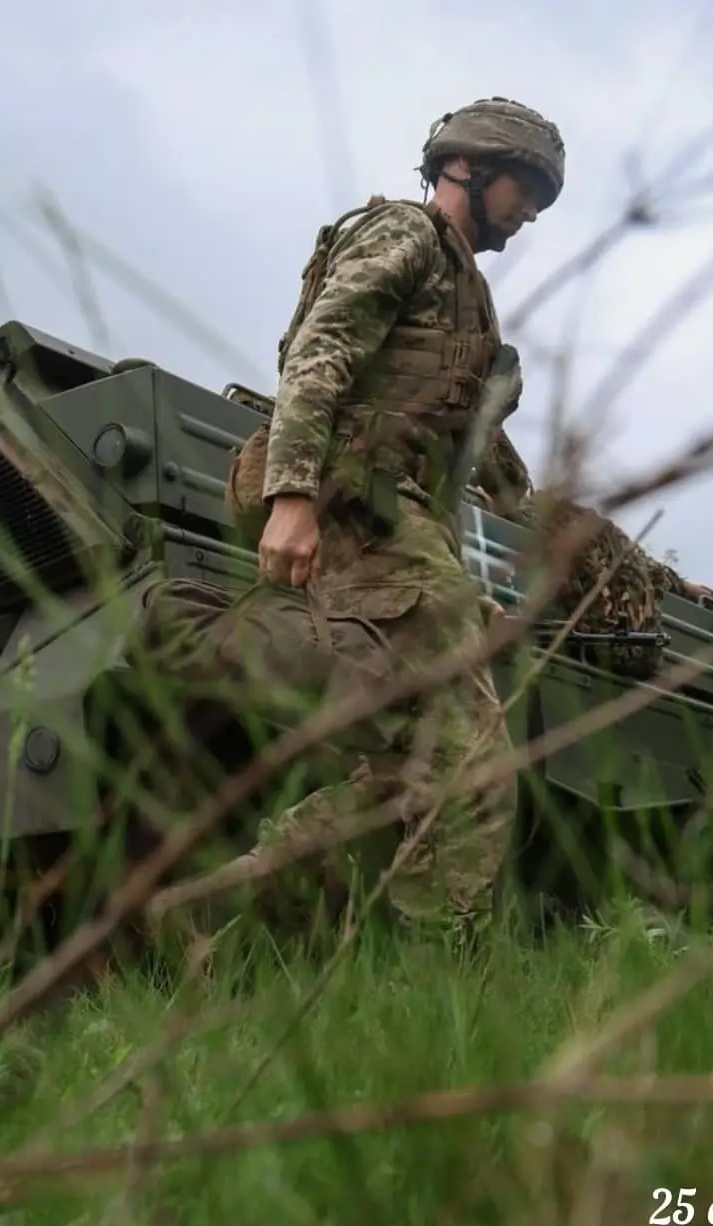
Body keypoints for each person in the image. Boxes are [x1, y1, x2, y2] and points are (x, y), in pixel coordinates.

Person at [237, 96, 567, 940]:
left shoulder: (465, 290)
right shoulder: (406, 238)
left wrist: (461, 578)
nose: (529, 214)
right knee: (474, 763)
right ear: (472, 168)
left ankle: (218, 917)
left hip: (400, 522)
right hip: (355, 507)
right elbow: (323, 350)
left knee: (409, 766)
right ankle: (439, 979)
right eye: (525, 190)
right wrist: (294, 497)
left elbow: (447, 464)